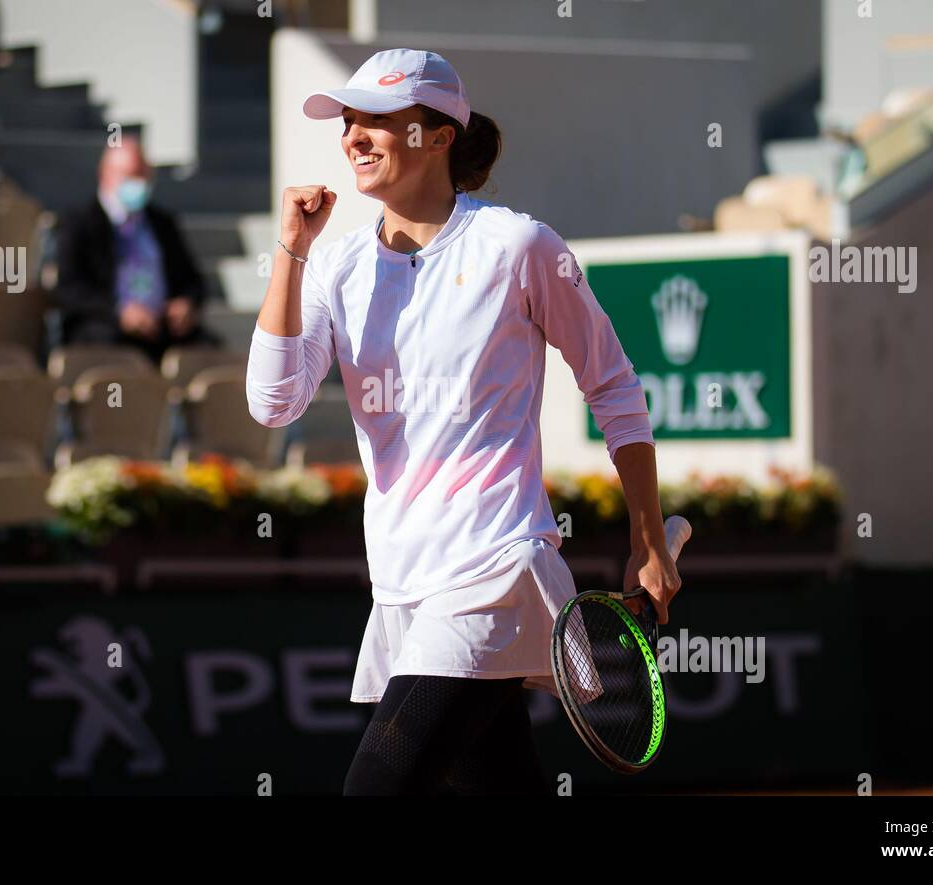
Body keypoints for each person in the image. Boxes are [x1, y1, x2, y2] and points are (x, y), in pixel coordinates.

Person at [245, 49, 682, 796]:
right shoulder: (336, 265)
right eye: (350, 118)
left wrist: (649, 539)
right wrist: (291, 251)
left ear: (440, 136)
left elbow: (612, 385)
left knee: (375, 789)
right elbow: (272, 401)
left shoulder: (520, 246)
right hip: (402, 582)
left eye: (380, 118)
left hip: (495, 567)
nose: (355, 134)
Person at [56, 136, 219, 363]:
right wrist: (120, 312)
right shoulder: (79, 223)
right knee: (112, 350)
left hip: (162, 327)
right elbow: (70, 289)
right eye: (130, 175)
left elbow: (193, 280)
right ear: (105, 174)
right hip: (105, 328)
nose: (138, 183)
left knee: (208, 348)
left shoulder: (162, 223)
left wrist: (186, 304)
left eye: (143, 175)